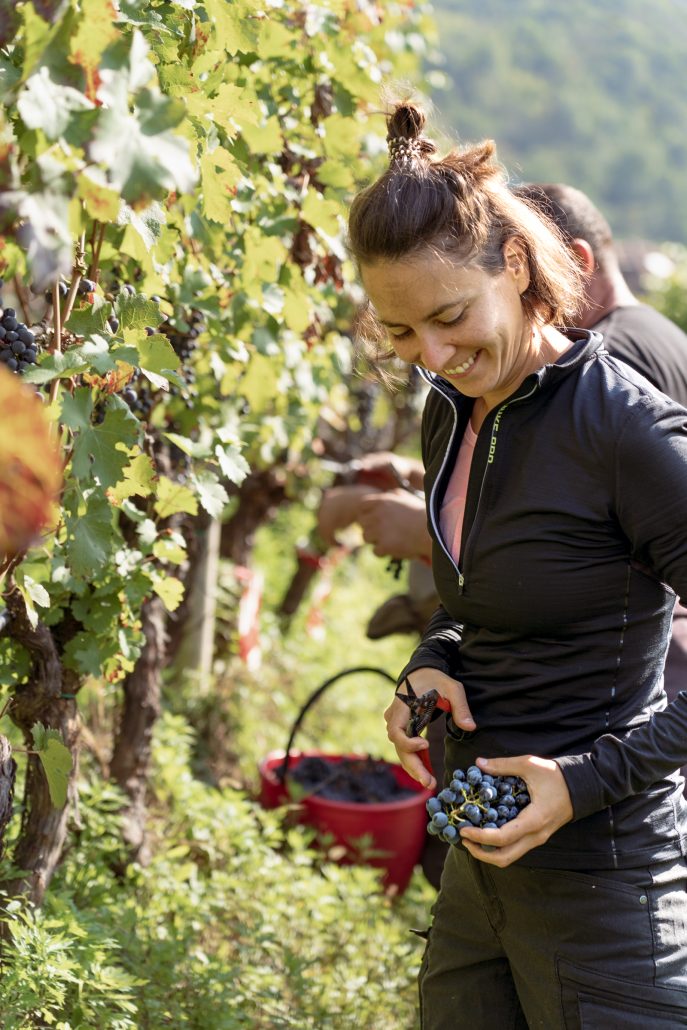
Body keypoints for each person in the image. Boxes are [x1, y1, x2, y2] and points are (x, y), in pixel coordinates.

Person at [346, 99, 687, 1028]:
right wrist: (437, 658)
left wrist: (583, 781)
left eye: (450, 318)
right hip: (480, 862)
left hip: (605, 891)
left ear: (514, 262)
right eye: (402, 334)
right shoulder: (453, 409)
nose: (434, 354)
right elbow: (481, 598)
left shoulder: (627, 430)